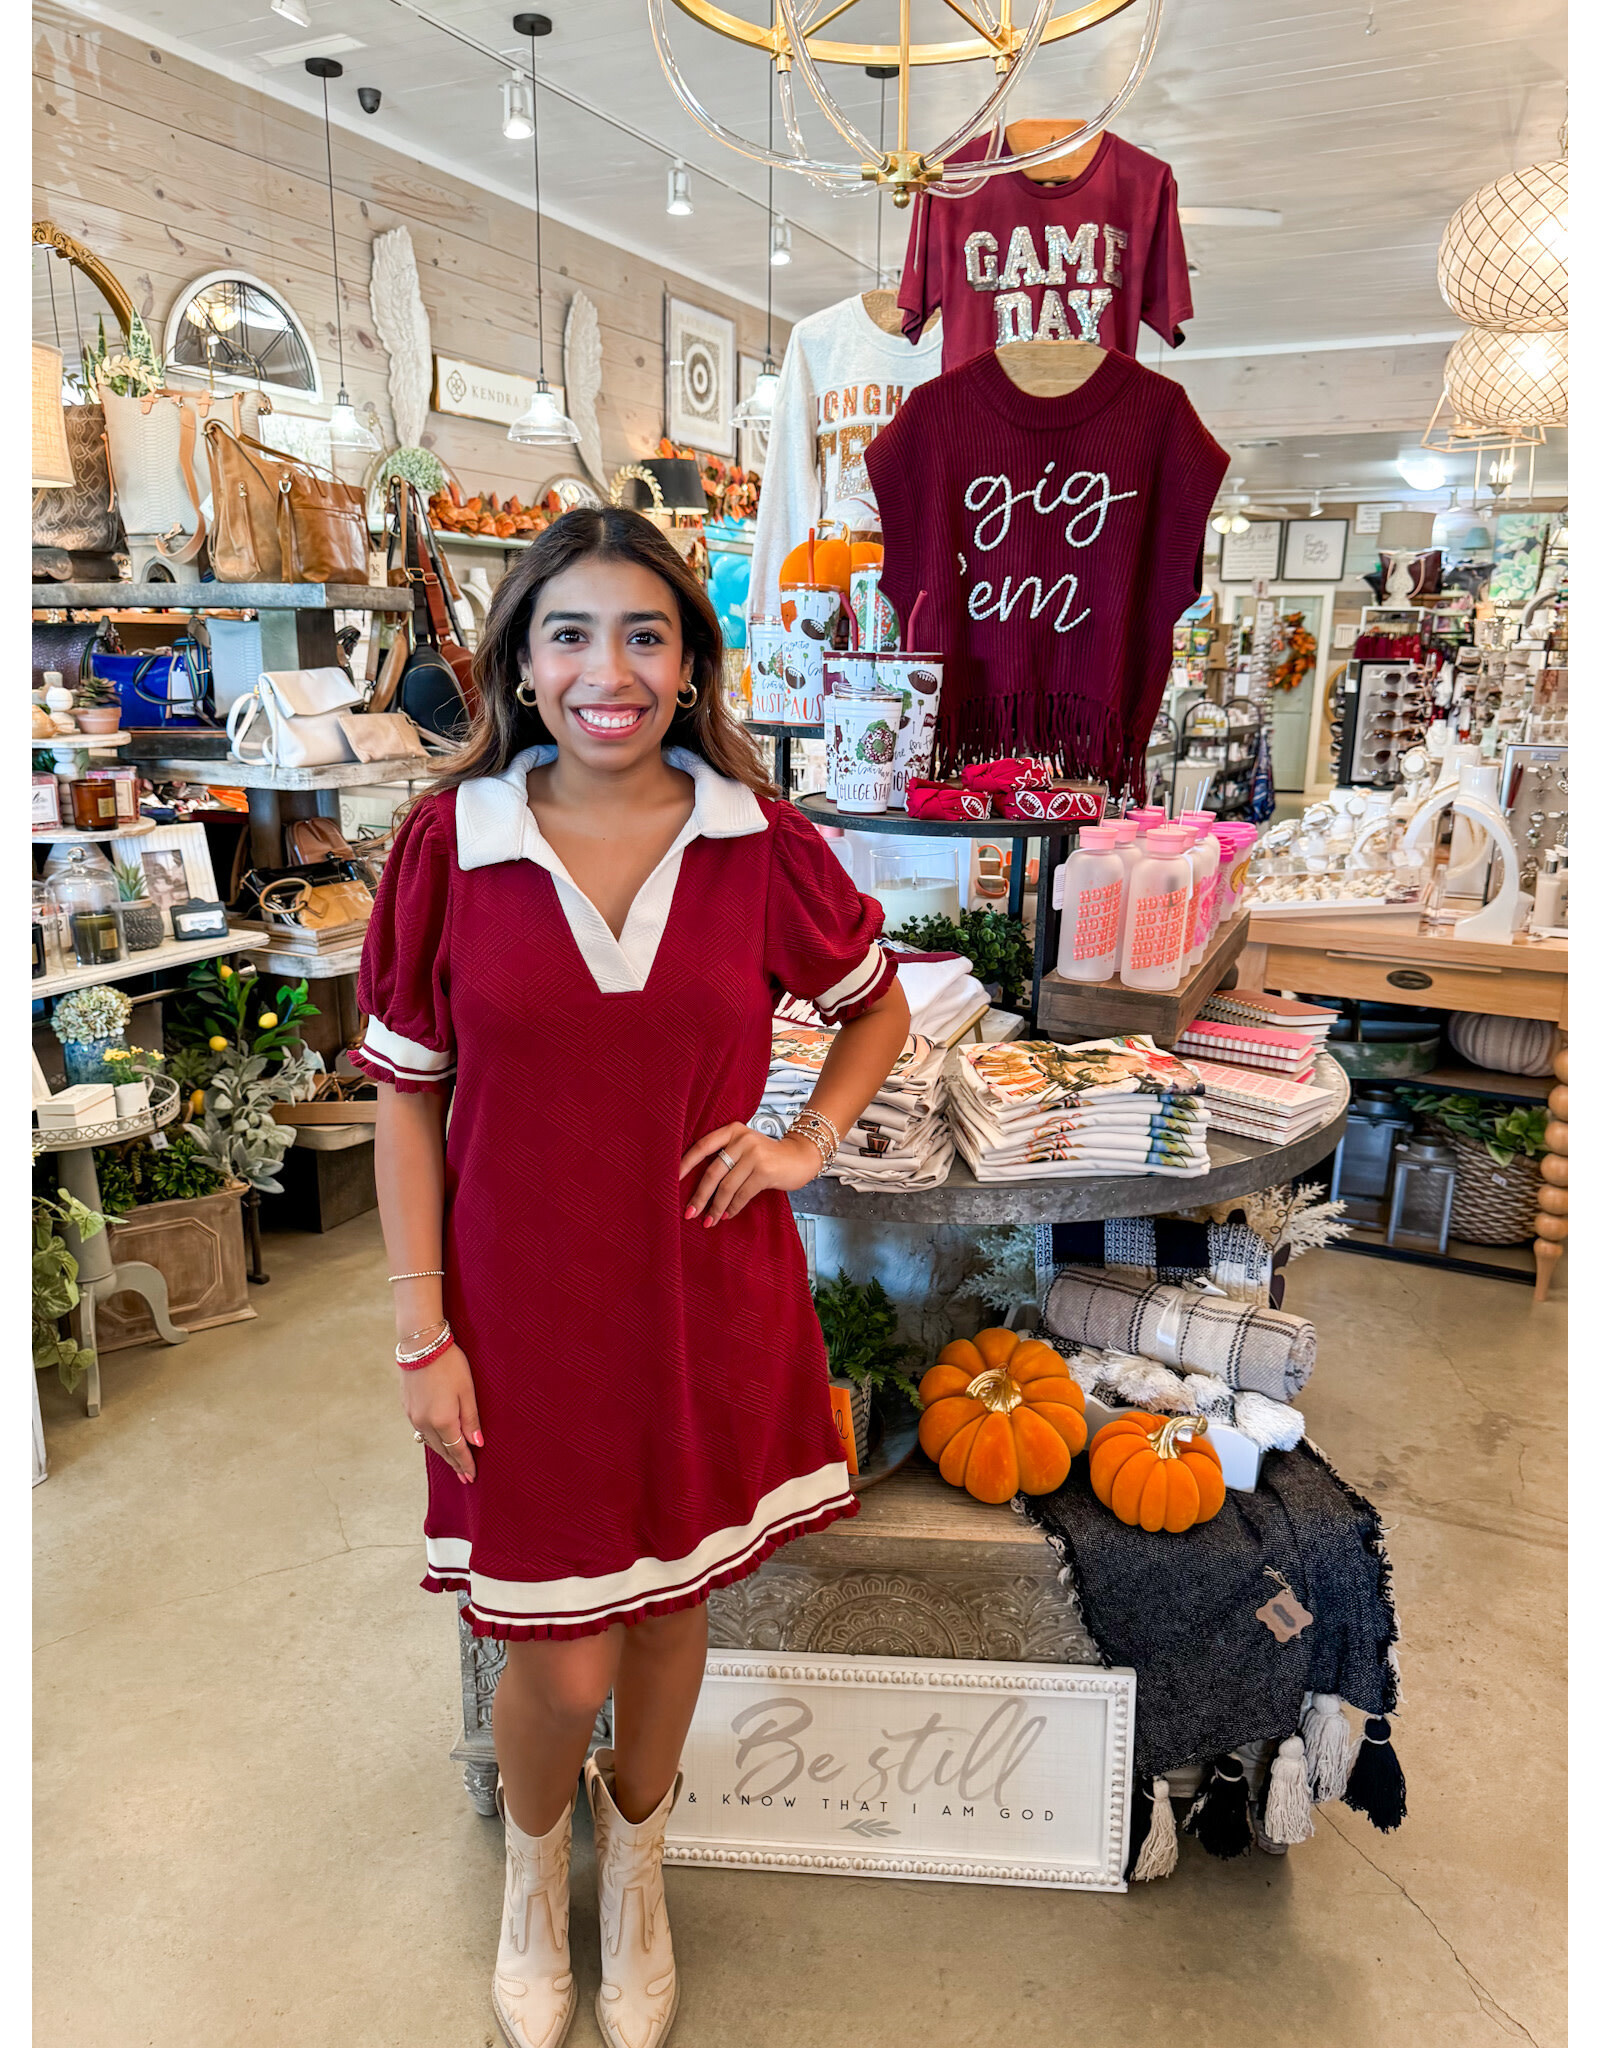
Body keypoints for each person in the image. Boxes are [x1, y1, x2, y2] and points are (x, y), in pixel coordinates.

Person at [356, 506, 910, 2048]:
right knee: (555, 1646)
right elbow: (407, 1092)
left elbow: (875, 1011)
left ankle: (639, 1867)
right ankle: (541, 1879)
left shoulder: (761, 844)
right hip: (517, 1321)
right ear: (522, 668)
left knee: (668, 1615)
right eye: (573, 635)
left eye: (646, 635)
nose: (610, 669)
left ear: (689, 664)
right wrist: (421, 1329)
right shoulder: (445, 849)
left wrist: (805, 1142)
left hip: (703, 1306)